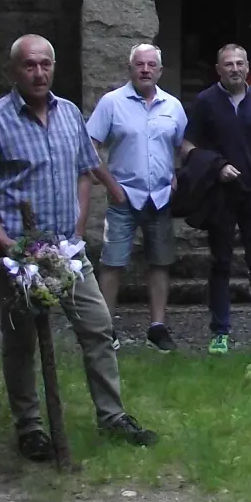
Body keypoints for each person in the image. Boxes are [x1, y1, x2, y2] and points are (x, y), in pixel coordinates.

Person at [0, 35, 157, 461]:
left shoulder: (70, 113)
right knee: (21, 342)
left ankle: (112, 416)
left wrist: (76, 224)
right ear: (14, 70)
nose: (38, 73)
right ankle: (30, 427)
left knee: (97, 327)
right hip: (18, 253)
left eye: (45, 64)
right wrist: (4, 242)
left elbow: (86, 170)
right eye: (29, 65)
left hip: (66, 251)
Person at [182, 44, 251, 354]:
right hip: (220, 194)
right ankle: (220, 331)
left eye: (239, 63)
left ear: (247, 67)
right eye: (228, 64)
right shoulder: (205, 102)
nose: (234, 68)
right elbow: (188, 147)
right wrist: (217, 167)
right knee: (221, 262)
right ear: (218, 69)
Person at [86, 43, 186, 352]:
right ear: (130, 69)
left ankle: (157, 327)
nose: (145, 70)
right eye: (139, 64)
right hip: (123, 198)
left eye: (150, 65)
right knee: (113, 264)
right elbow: (89, 147)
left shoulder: (173, 106)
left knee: (160, 263)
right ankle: (105, 329)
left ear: (159, 70)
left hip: (160, 199)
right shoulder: (111, 103)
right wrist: (110, 185)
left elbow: (185, 146)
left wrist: (177, 177)